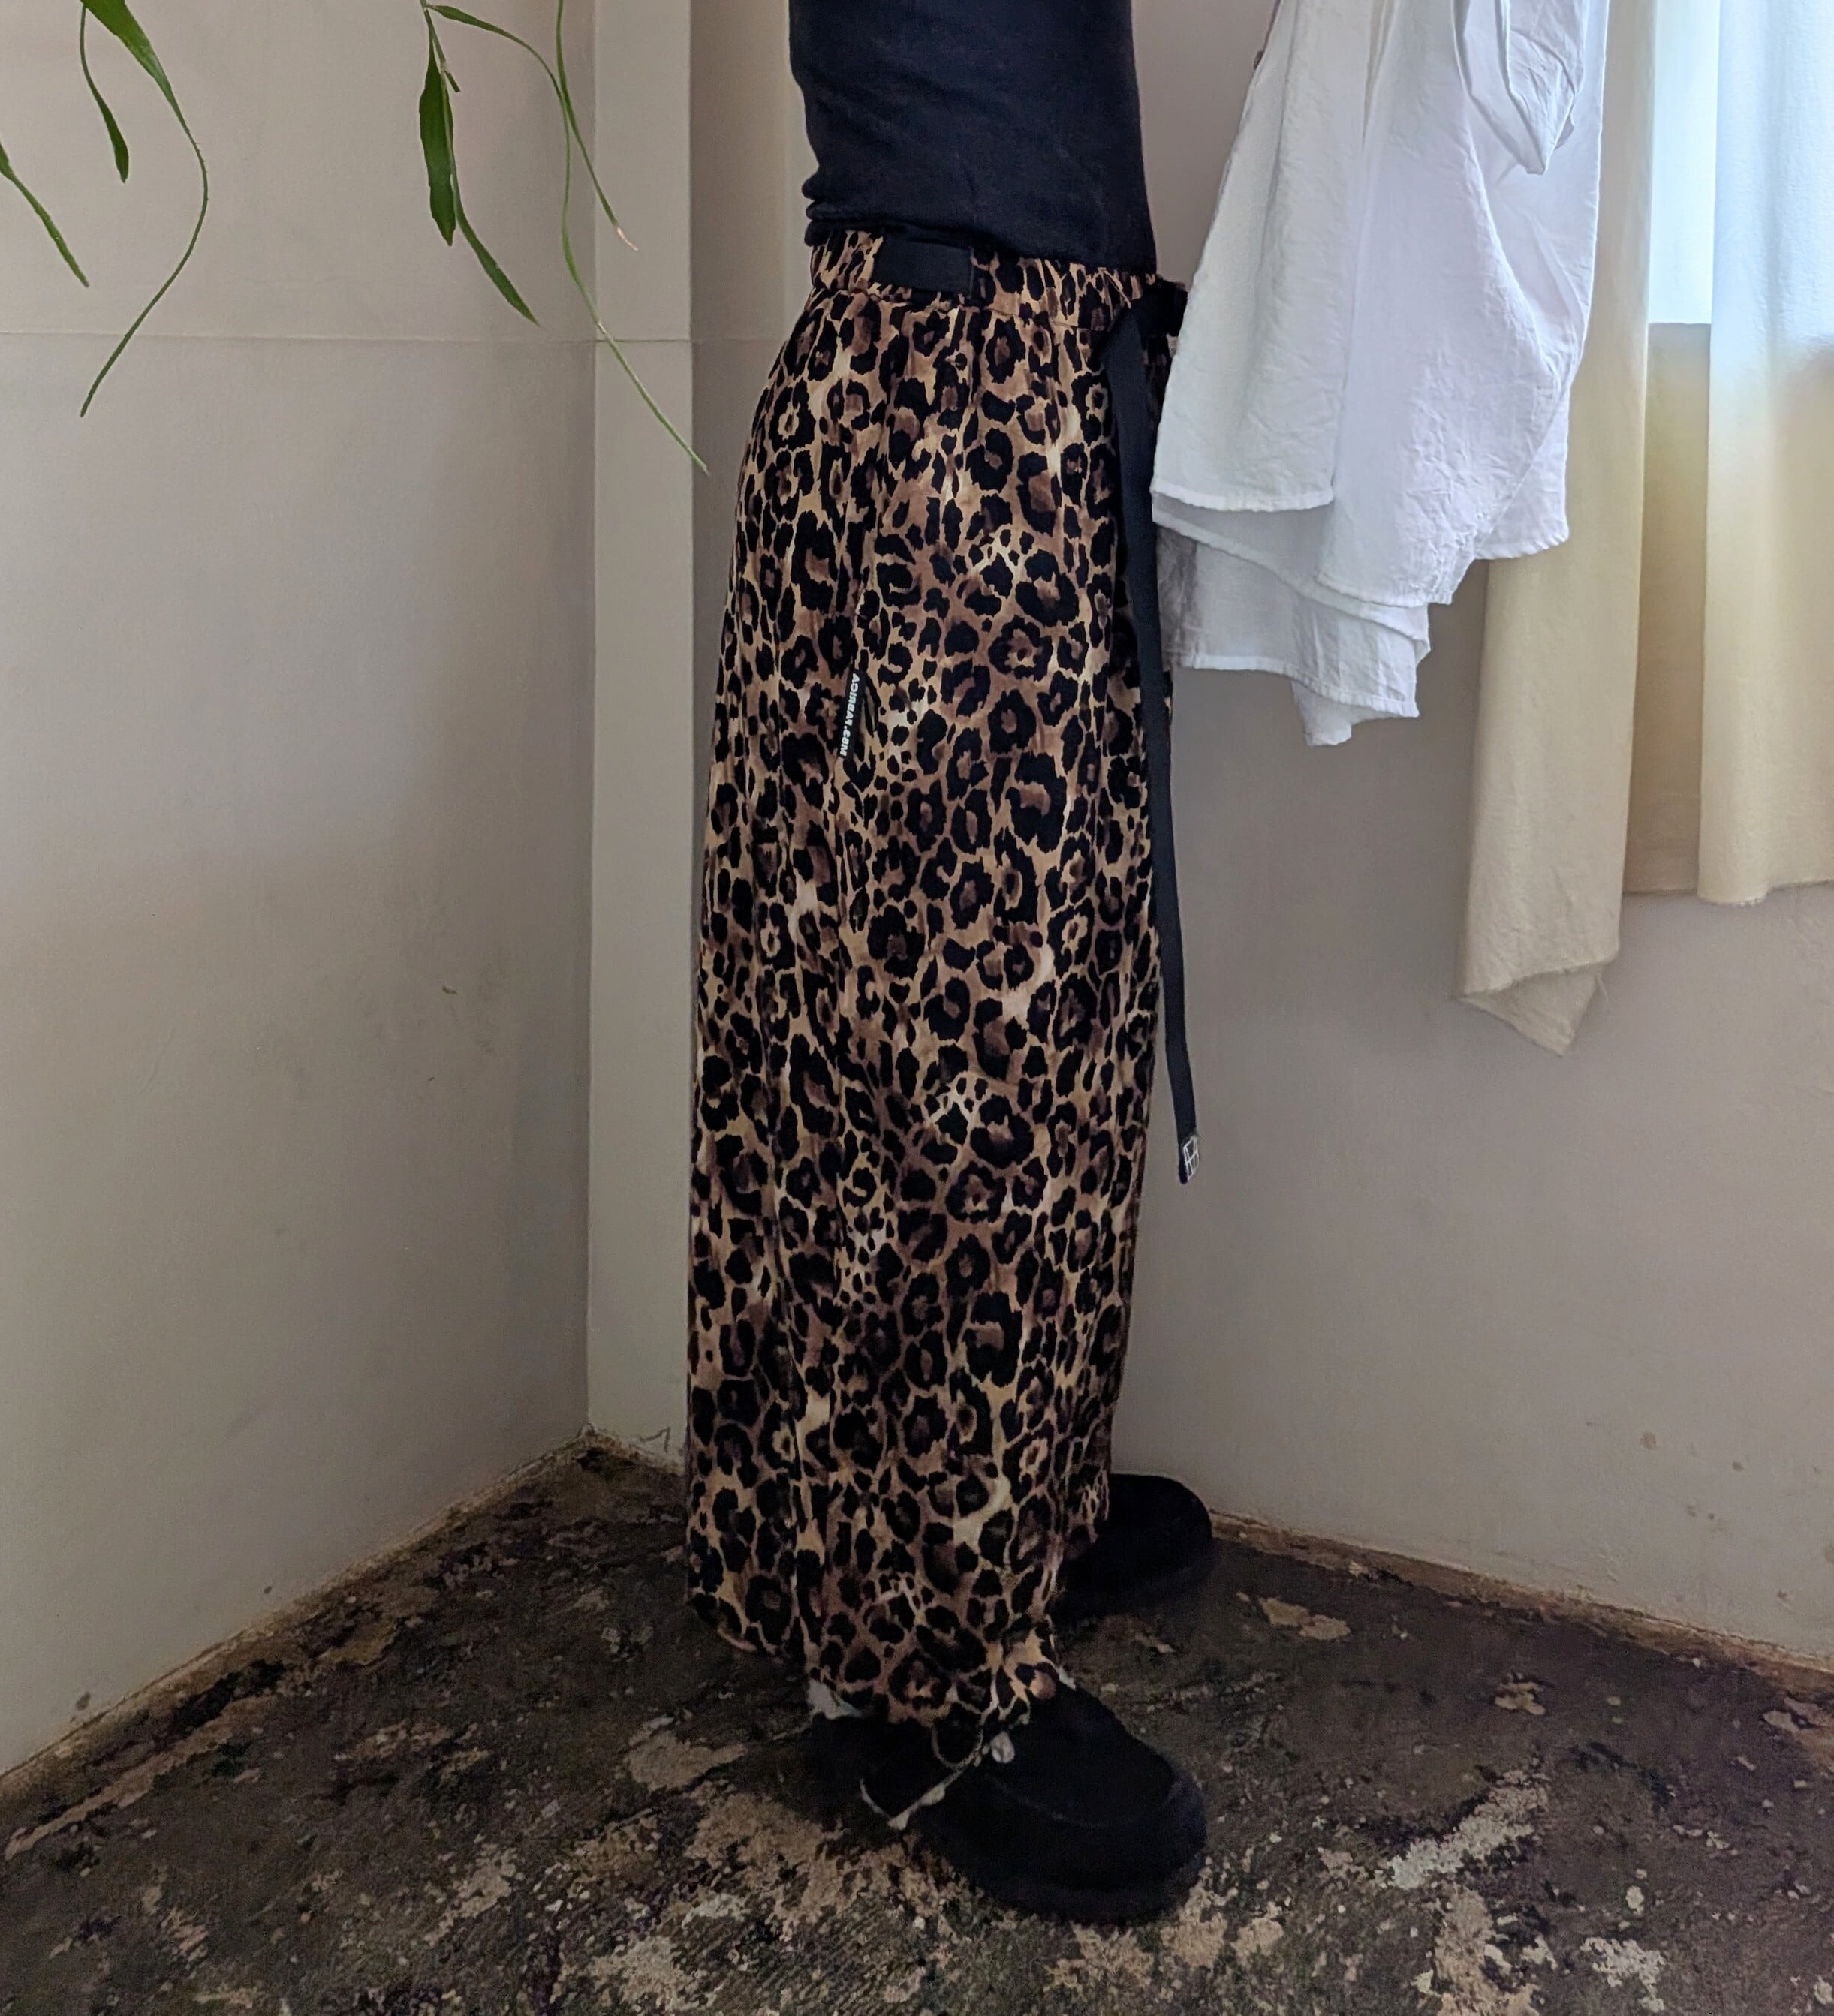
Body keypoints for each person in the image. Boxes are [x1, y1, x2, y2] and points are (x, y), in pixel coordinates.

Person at [685, 0, 1213, 1924]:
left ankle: (1014, 1512)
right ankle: (916, 1674)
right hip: (943, 406)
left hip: (1028, 387)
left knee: (1054, 1007)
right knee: (941, 1046)